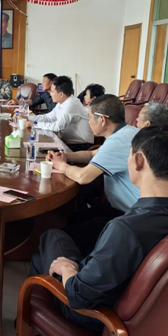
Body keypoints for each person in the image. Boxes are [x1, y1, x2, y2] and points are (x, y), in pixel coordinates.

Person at [28, 125, 168, 336]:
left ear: (138, 160)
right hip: (155, 311)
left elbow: (78, 295)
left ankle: (34, 329)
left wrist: (68, 268)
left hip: (99, 315)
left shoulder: (127, 230)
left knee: (51, 238)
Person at [47, 95, 141, 251]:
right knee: (72, 218)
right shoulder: (129, 132)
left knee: (64, 234)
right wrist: (66, 157)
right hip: (125, 207)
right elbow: (92, 154)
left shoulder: (117, 141)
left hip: (129, 217)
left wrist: (60, 165)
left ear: (102, 119)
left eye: (90, 118)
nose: (88, 122)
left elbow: (83, 177)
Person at [26, 76, 94, 152]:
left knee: (38, 150)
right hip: (67, 143)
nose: (50, 94)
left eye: (52, 91)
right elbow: (48, 117)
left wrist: (34, 124)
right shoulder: (62, 102)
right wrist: (28, 118)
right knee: (36, 147)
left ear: (61, 94)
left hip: (81, 147)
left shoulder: (72, 104)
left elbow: (57, 127)